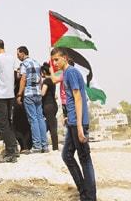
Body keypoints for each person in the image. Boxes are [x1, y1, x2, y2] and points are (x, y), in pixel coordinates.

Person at [52, 47, 96, 201]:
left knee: (85, 159)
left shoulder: (70, 72)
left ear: (65, 57)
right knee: (67, 155)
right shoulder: (67, 74)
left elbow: (78, 98)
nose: (55, 63)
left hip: (78, 123)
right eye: (53, 60)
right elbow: (71, 99)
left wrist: (79, 126)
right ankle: (84, 191)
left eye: (57, 59)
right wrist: (69, 118)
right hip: (72, 121)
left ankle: (90, 197)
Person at [0, 39, 18, 162]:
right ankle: (13, 147)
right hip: (10, 94)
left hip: (0, 95)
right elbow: (16, 73)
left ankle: (11, 150)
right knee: (9, 122)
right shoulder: (11, 57)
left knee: (3, 123)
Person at [16, 46, 49, 153]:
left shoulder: (24, 64)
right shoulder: (36, 62)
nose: (17, 56)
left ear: (22, 53)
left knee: (33, 119)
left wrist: (19, 94)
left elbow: (23, 79)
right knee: (40, 118)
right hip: (38, 93)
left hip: (29, 93)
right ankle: (44, 145)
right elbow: (40, 79)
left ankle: (37, 145)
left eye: (18, 54)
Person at [40, 62, 59, 151]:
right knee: (49, 126)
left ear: (44, 71)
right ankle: (46, 144)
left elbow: (43, 93)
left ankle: (55, 147)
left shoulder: (46, 81)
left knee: (51, 127)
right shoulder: (53, 80)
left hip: (48, 106)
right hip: (53, 105)